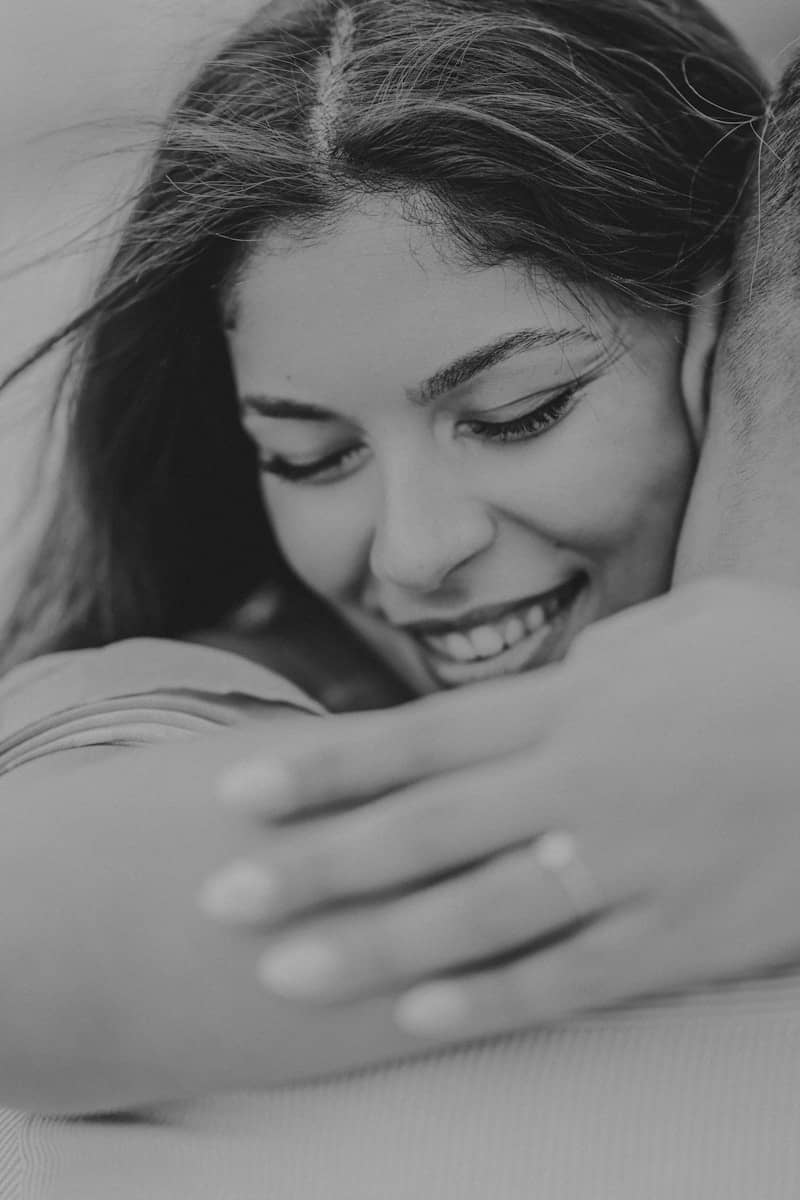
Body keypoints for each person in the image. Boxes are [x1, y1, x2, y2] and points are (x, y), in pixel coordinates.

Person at [1, 1, 800, 1195]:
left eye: (517, 414)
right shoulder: (189, 702)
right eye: (310, 458)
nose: (414, 552)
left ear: (719, 350)